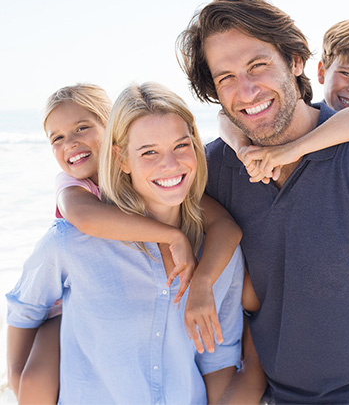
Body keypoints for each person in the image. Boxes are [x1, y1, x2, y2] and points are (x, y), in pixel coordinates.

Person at [177, 0, 349, 404]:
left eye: (258, 65)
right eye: (226, 77)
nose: (246, 91)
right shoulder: (216, 168)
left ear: (296, 61)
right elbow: (134, 202)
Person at [6, 83, 243, 404]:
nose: (169, 164)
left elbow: (219, 354)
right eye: (148, 151)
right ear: (121, 158)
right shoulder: (72, 228)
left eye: (181, 146)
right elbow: (25, 310)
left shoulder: (214, 247)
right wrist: (21, 380)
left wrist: (202, 281)